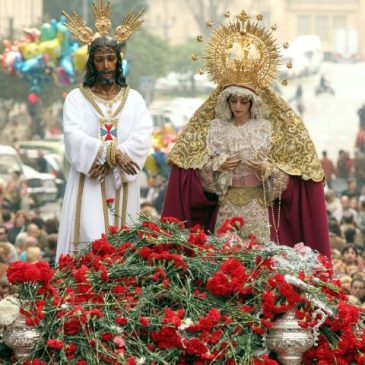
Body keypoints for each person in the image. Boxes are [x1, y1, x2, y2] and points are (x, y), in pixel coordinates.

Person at [162, 11, 330, 257]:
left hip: (258, 208)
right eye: (233, 100)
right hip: (227, 206)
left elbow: (292, 175)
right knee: (224, 259)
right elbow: (195, 174)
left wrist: (269, 171)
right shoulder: (217, 130)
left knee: (258, 258)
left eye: (243, 101)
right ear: (226, 101)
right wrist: (216, 167)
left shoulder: (266, 129)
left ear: (253, 103)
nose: (238, 106)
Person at [56, 3, 152, 260]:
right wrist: (108, 153)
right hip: (89, 179)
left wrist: (118, 158)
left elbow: (143, 137)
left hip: (123, 182)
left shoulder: (135, 100)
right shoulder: (76, 99)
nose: (107, 65)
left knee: (122, 245)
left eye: (111, 59)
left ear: (118, 62)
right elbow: (73, 136)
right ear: (92, 63)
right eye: (100, 60)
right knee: (88, 239)